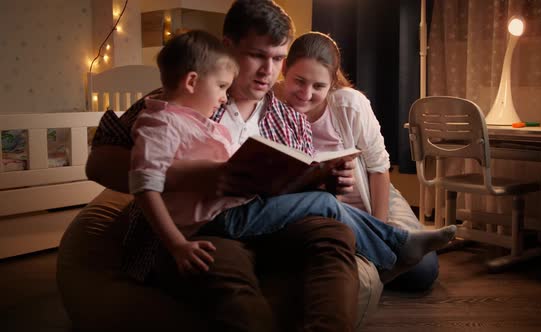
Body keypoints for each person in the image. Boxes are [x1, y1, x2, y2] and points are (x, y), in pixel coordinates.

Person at [87, 1, 362, 331]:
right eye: (257, 56)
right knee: (223, 272)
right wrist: (195, 177)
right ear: (228, 48)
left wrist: (324, 182)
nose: (268, 71)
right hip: (203, 230)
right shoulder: (182, 98)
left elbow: (293, 187)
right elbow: (98, 163)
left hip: (268, 224)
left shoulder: (292, 120)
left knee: (334, 233)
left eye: (277, 59)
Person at [275, 31, 442, 290]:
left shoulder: (350, 105)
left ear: (331, 82)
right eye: (299, 81)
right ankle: (369, 261)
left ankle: (370, 255)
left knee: (423, 271)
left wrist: (379, 228)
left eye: (318, 86)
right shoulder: (271, 106)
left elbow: (378, 168)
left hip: (372, 195)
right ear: (284, 68)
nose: (306, 94)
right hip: (325, 209)